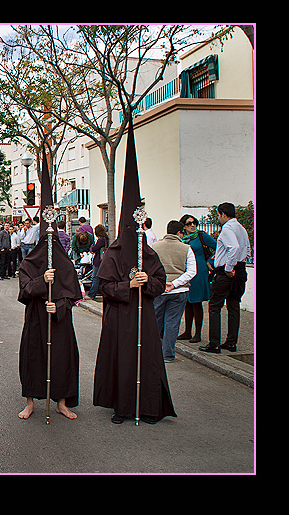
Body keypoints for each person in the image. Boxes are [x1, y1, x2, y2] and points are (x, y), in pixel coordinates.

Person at [92, 119, 175, 425]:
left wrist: (148, 281)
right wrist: (129, 285)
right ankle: (122, 407)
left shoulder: (149, 252)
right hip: (119, 318)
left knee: (147, 360)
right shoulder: (113, 252)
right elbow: (105, 287)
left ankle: (150, 407)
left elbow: (161, 281)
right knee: (122, 361)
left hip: (144, 317)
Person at [17, 166, 81, 421]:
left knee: (62, 358)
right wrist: (42, 281)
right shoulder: (29, 264)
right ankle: (31, 402)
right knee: (33, 359)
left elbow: (73, 294)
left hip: (60, 321)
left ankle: (62, 402)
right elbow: (24, 291)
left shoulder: (65, 264)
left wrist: (61, 306)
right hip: (35, 319)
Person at [199, 202, 251, 353]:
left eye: (218, 215)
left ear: (222, 214)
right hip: (240, 269)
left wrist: (228, 267)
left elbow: (233, 247)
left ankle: (214, 344)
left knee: (215, 306)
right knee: (233, 306)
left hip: (226, 272)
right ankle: (231, 342)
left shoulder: (227, 228)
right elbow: (246, 249)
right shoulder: (241, 228)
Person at [152, 220, 197, 362]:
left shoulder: (155, 246)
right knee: (172, 322)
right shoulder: (186, 248)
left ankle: (153, 352)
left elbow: (149, 268)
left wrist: (162, 283)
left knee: (155, 321)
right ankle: (168, 354)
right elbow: (192, 271)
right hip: (179, 290)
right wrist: (175, 283)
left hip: (159, 289)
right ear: (179, 233)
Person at [177, 214, 217, 343]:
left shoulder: (201, 236)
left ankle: (197, 333)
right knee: (187, 302)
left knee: (196, 302)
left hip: (199, 272)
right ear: (183, 225)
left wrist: (211, 260)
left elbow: (218, 247)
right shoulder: (182, 238)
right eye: (189, 223)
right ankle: (187, 331)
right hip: (185, 272)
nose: (193, 225)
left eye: (194, 223)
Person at [87, 224, 108, 300]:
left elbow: (93, 249)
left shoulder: (101, 240)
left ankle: (92, 294)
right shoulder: (106, 239)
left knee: (95, 277)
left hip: (98, 260)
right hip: (102, 260)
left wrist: (92, 246)